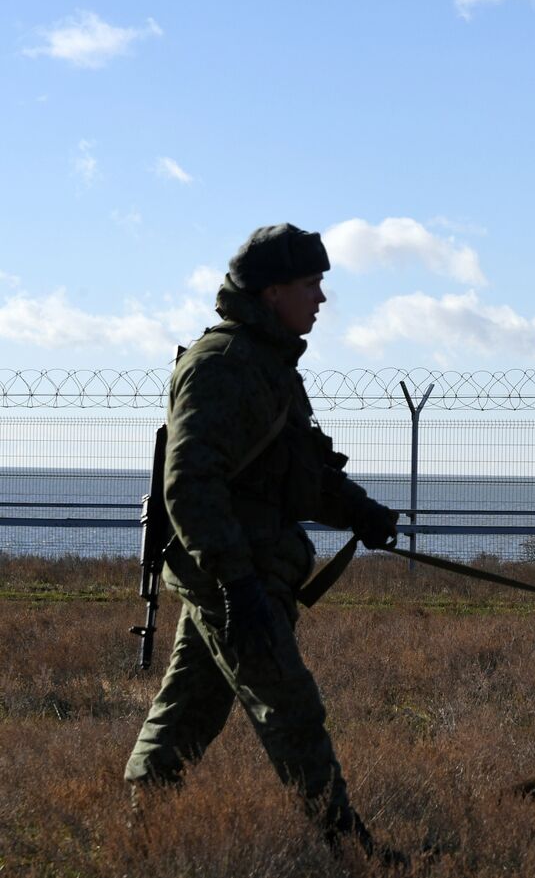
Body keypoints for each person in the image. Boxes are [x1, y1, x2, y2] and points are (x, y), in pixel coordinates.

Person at [124, 224, 402, 863]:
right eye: (312, 285)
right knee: (293, 710)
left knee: (187, 710)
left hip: (245, 571)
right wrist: (235, 583)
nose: (321, 300)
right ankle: (350, 849)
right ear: (273, 291)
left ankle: (140, 838)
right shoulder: (221, 366)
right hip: (232, 575)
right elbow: (189, 485)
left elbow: (297, 471)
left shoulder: (267, 363)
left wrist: (360, 512)